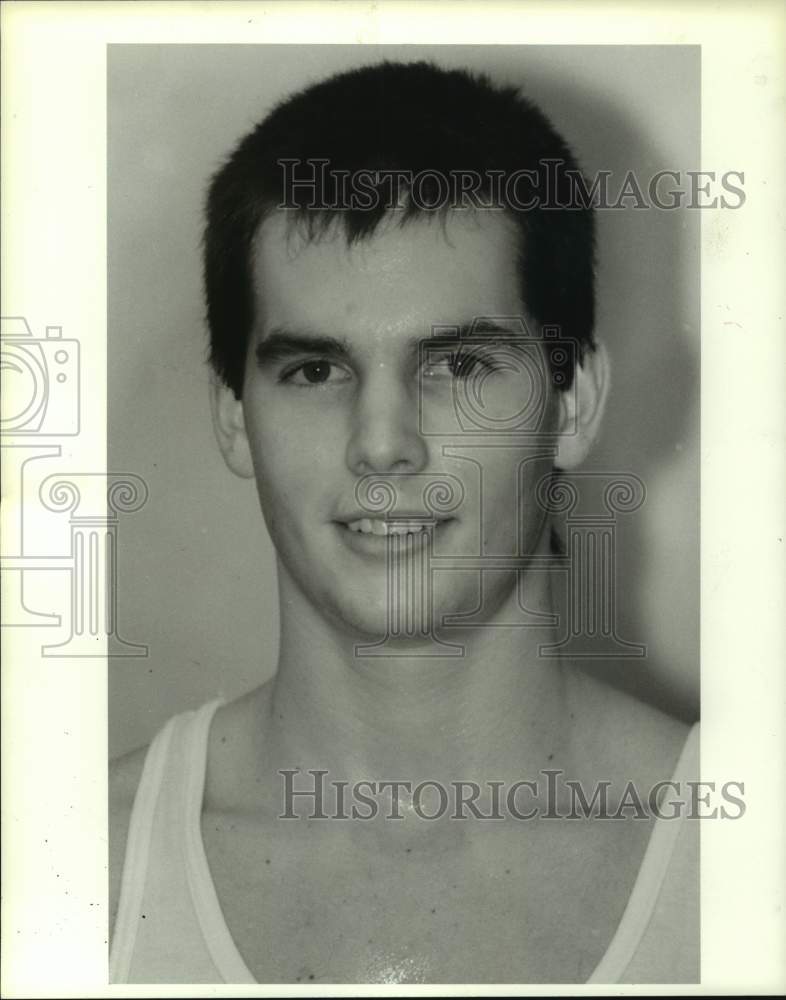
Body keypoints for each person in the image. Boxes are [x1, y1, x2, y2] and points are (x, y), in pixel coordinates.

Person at [109, 60, 699, 984]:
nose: (383, 445)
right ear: (234, 415)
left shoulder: (746, 857)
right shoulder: (72, 873)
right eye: (314, 371)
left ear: (574, 402)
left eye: (459, 367)